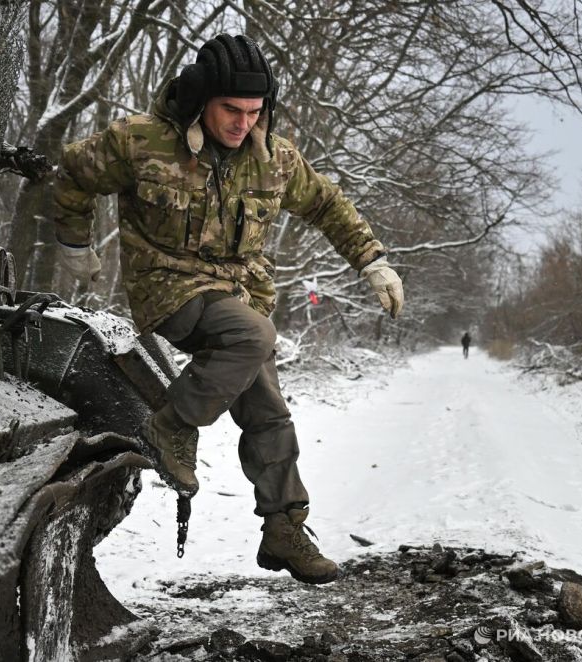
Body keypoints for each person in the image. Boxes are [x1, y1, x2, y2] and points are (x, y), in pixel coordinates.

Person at [52, 34, 404, 585]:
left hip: (240, 296)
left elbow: (328, 205)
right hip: (168, 289)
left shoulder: (274, 159)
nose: (243, 124)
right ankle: (170, 424)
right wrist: (75, 242)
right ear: (200, 101)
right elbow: (73, 172)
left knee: (269, 412)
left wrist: (372, 261)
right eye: (231, 111)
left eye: (254, 112)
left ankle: (284, 530)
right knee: (252, 337)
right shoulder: (141, 142)